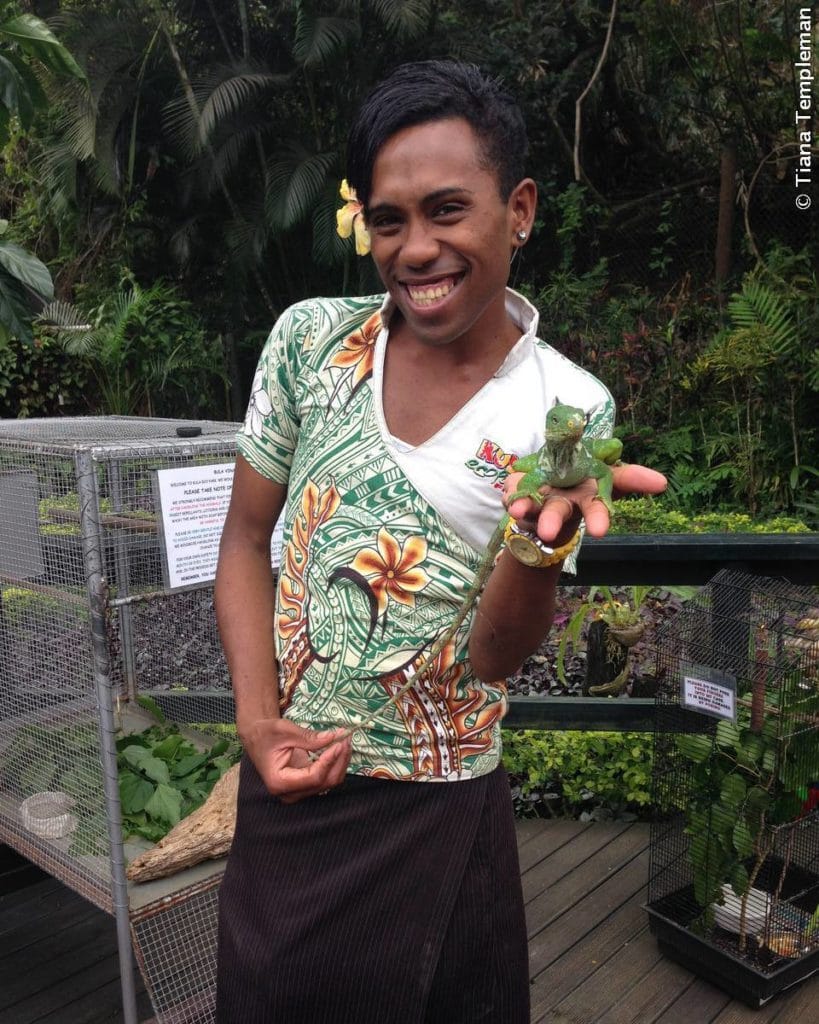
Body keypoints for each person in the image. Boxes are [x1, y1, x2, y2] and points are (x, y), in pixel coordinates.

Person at [214, 60, 666, 1023]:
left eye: (448, 211)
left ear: (520, 210)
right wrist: (256, 724)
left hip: (438, 810)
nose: (416, 249)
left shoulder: (565, 411)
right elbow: (245, 543)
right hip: (290, 793)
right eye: (389, 220)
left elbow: (497, 659)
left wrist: (535, 543)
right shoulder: (313, 345)